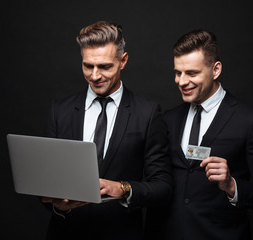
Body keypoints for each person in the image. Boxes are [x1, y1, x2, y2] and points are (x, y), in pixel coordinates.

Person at [145, 30, 253, 239]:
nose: (181, 81)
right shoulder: (168, 119)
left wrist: (231, 185)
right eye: (177, 72)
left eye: (191, 73)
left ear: (216, 69)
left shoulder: (251, 120)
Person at [41, 21, 172, 240]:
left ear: (123, 61)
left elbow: (163, 186)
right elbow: (44, 180)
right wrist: (59, 206)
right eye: (87, 66)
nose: (94, 76)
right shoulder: (59, 111)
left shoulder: (147, 114)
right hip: (65, 233)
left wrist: (123, 188)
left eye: (104, 67)